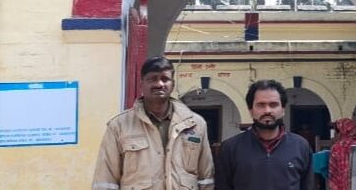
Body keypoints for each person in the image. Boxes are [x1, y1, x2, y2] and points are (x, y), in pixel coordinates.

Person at [91, 56, 215, 190]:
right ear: (141, 84)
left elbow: (206, 180)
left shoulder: (195, 124)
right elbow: (106, 181)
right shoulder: (119, 126)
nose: (159, 84)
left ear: (173, 84)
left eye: (165, 79)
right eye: (152, 79)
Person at [215, 79, 313, 190]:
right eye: (261, 105)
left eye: (273, 105)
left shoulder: (301, 146)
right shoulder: (230, 148)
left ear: (283, 110)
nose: (267, 110)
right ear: (251, 110)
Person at [328, 118, 356, 190]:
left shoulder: (337, 147)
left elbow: (333, 173)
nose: (335, 135)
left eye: (337, 132)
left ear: (342, 131)